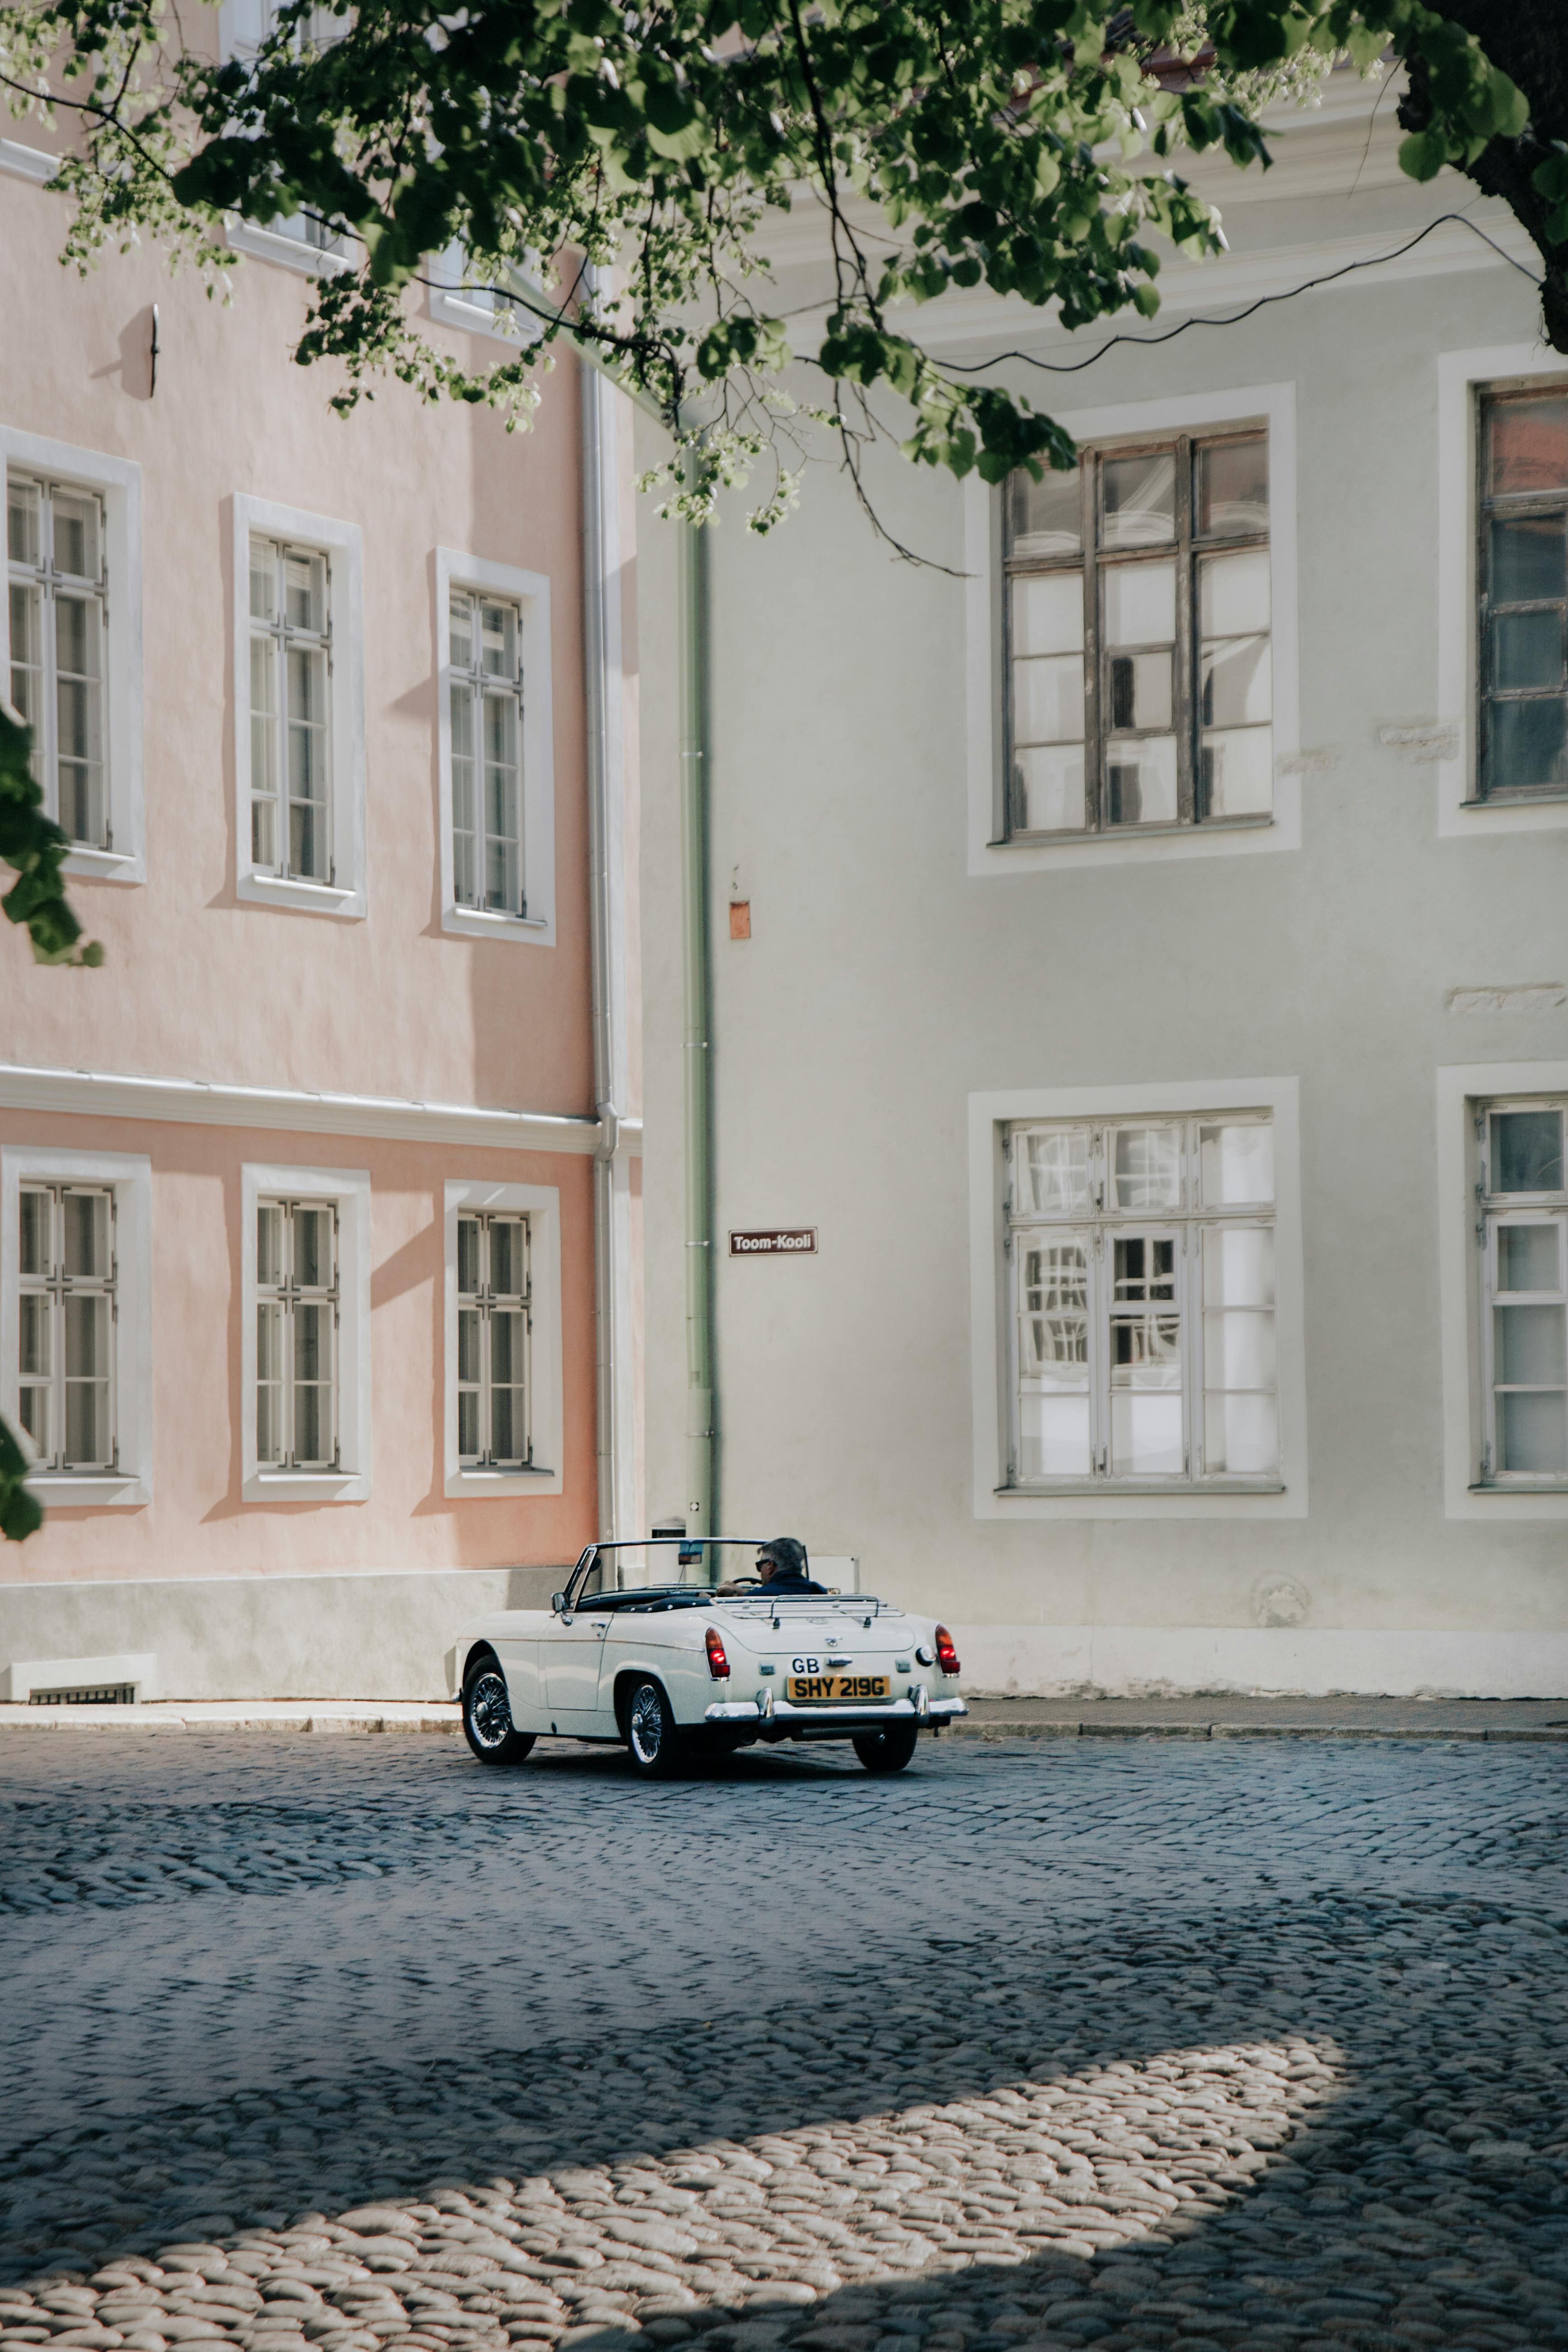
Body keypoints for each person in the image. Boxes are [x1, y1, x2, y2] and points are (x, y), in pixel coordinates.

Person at [716, 1537, 825, 1597]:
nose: (760, 1572)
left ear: (770, 1566)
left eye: (760, 1566)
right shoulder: (820, 1592)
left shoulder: (756, 1598)